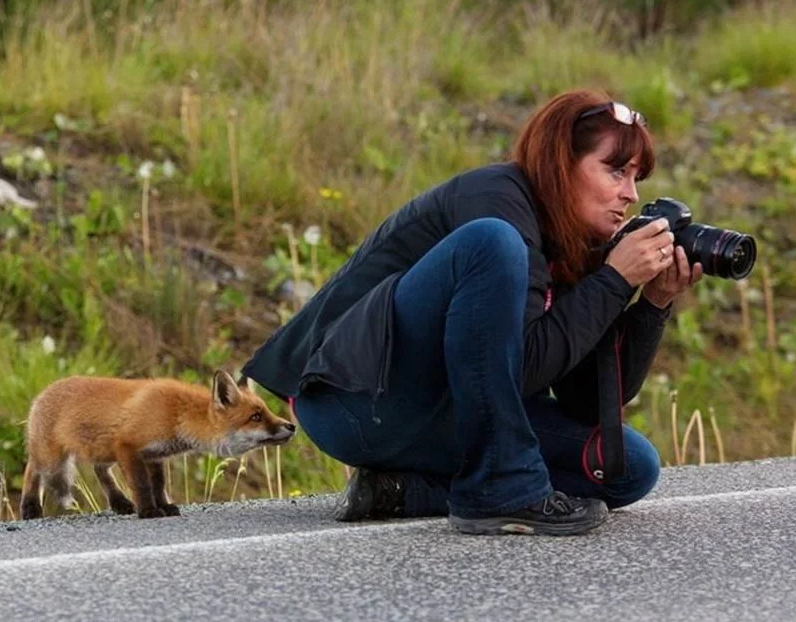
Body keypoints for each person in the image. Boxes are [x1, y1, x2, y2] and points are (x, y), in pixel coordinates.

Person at [240, 89, 703, 536]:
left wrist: (651, 304)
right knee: (490, 241)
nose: (630, 194)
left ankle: (403, 492)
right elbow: (521, 368)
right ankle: (501, 491)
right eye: (616, 171)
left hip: (446, 411)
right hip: (355, 402)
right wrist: (613, 281)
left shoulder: (569, 240)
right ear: (562, 166)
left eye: (636, 179)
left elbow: (585, 400)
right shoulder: (496, 198)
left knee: (624, 466)